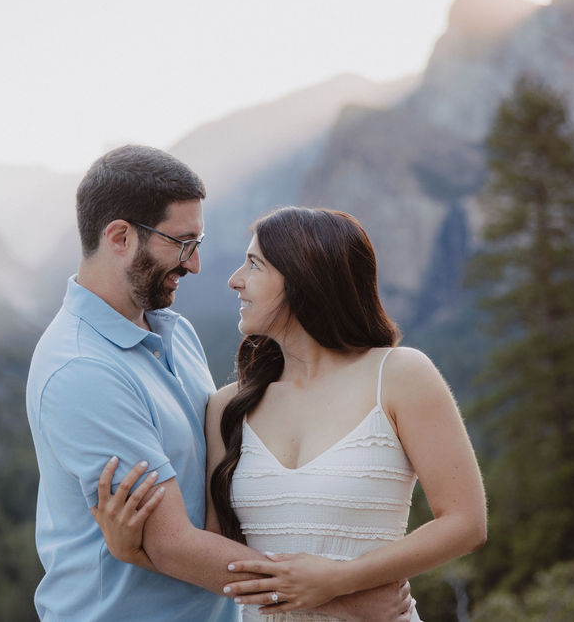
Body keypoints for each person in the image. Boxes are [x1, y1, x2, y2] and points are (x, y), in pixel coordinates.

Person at [26, 146, 414, 621]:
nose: (194, 265)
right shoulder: (82, 370)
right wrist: (347, 600)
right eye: (182, 242)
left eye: (198, 243)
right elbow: (173, 544)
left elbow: (215, 490)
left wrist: (136, 549)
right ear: (121, 238)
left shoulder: (175, 332)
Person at [93, 206, 487, 620]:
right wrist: (135, 552)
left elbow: (465, 522)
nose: (234, 280)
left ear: (305, 278)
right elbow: (216, 554)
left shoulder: (399, 375)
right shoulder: (227, 407)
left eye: (254, 264)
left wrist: (345, 578)